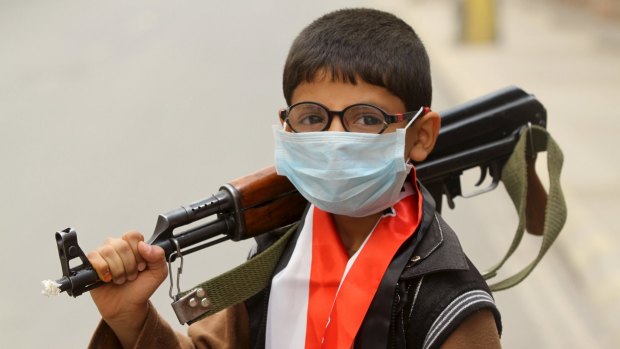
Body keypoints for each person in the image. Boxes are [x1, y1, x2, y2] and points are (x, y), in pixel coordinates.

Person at [87, 8, 502, 349]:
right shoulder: (278, 253)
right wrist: (131, 318)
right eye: (312, 118)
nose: (335, 139)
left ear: (421, 135)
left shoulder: (446, 301)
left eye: (366, 119)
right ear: (286, 129)